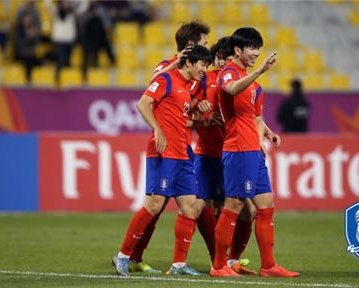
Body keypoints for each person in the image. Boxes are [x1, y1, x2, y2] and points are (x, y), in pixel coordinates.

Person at [119, 21, 212, 274]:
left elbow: (183, 114)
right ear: (191, 49)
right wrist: (158, 129)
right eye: (203, 46)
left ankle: (179, 263)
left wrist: (200, 110)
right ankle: (126, 255)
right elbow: (148, 97)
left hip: (183, 150)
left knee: (189, 206)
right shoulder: (167, 74)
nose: (207, 54)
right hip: (165, 150)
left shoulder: (188, 83)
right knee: (154, 206)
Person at [210, 27, 300, 278]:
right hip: (238, 149)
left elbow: (256, 118)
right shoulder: (228, 73)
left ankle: (269, 266)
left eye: (258, 48)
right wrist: (260, 71)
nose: (256, 53)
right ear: (237, 50)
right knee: (234, 205)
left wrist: (268, 133)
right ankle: (218, 266)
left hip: (254, 150)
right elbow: (230, 90)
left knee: (266, 204)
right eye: (251, 48)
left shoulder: (256, 87)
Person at [191, 36, 256, 275]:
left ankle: (230, 260)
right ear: (215, 58)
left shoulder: (238, 80)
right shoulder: (204, 79)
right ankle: (198, 261)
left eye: (229, 58)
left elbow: (250, 115)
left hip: (233, 153)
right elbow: (185, 108)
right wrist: (200, 111)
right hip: (208, 154)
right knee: (199, 206)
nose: (225, 63)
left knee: (247, 210)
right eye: (222, 58)